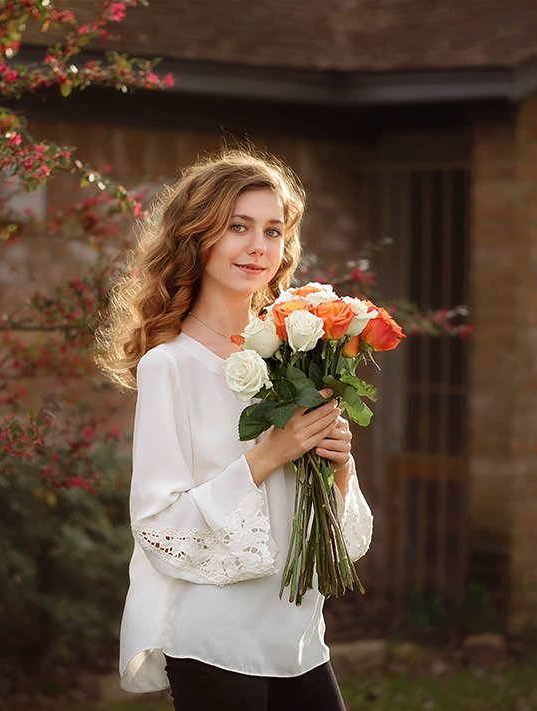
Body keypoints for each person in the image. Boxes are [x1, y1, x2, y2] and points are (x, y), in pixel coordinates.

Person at [95, 148, 373, 711]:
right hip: (213, 637)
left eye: (273, 231)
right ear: (197, 236)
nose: (258, 246)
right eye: (238, 227)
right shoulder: (169, 366)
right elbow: (159, 524)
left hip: (297, 634)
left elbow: (324, 528)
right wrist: (269, 454)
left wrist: (338, 464)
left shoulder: (297, 356)